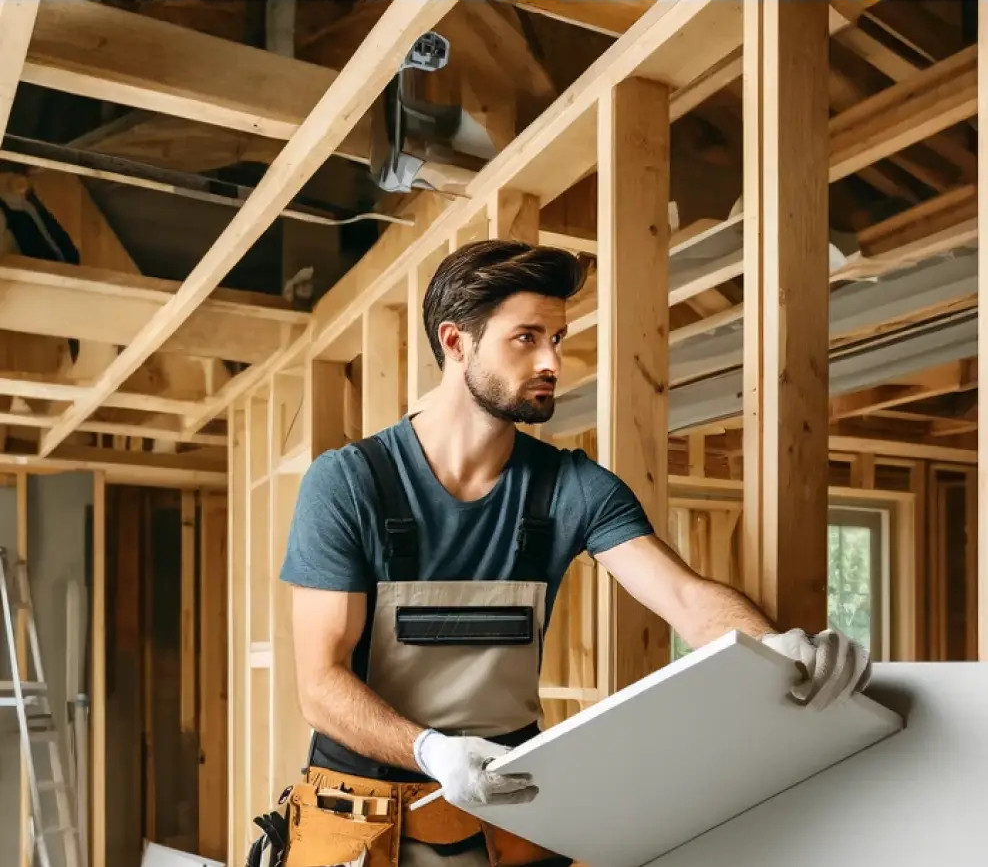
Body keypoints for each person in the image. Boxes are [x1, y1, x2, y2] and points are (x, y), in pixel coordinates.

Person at [274, 240, 871, 867]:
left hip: (507, 806)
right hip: (365, 815)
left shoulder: (573, 487)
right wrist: (432, 750)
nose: (553, 360)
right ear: (455, 342)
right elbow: (320, 684)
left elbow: (686, 597)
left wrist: (774, 652)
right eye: (526, 338)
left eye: (558, 338)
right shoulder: (350, 482)